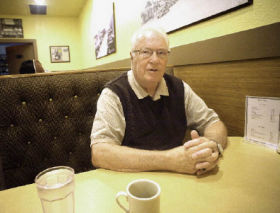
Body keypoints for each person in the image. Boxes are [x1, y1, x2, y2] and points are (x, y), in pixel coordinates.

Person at [90, 26, 227, 176]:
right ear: (132, 57)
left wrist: (212, 146)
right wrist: (169, 160)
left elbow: (213, 123)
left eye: (161, 53)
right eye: (146, 52)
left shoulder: (179, 88)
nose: (155, 60)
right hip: (133, 185)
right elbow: (100, 152)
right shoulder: (114, 94)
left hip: (180, 179)